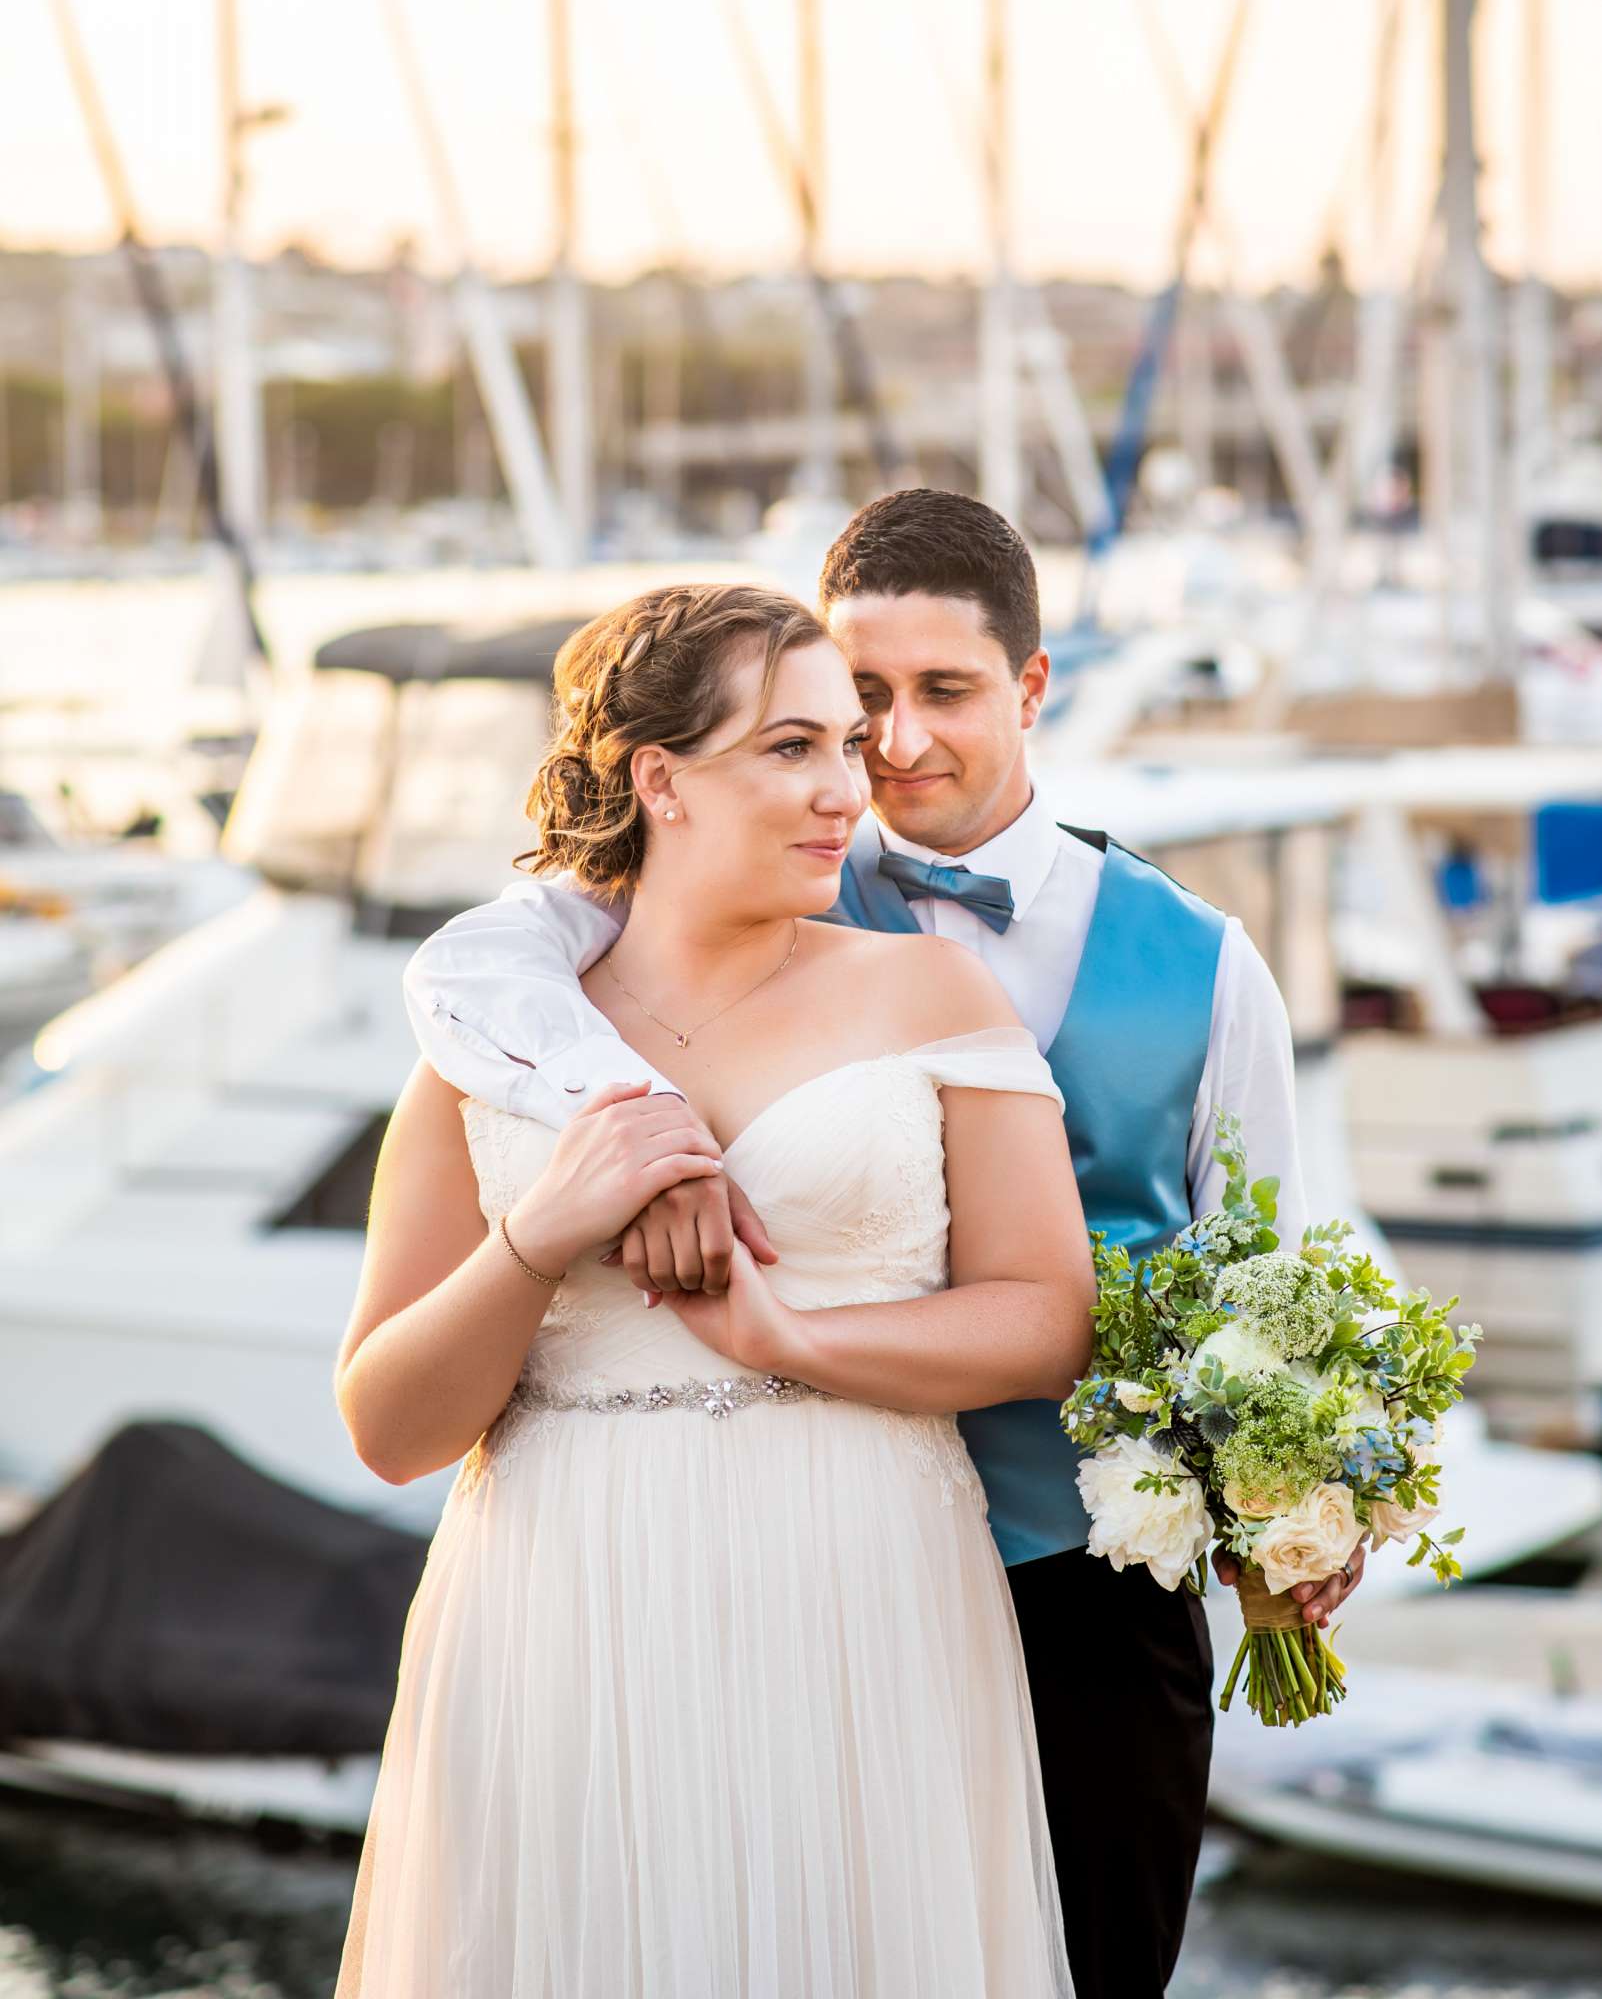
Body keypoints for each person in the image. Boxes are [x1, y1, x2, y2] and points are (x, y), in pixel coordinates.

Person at [409, 491, 1368, 1999]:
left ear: (1032, 688)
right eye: (855, 704)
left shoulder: (1198, 957)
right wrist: (628, 1105)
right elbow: (474, 972)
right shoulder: (715, 883)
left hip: (1083, 1569)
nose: (891, 748)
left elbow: (1260, 1266)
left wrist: (1299, 1499)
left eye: (943, 694)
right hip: (778, 1556)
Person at [334, 580, 1093, 1999]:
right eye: (789, 749)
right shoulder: (490, 1043)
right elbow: (387, 1428)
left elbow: (1045, 1318)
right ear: (659, 778)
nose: (842, 791)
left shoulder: (927, 996)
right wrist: (539, 1235)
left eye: (843, 749)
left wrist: (787, 1332)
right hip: (563, 1606)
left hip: (857, 1585)